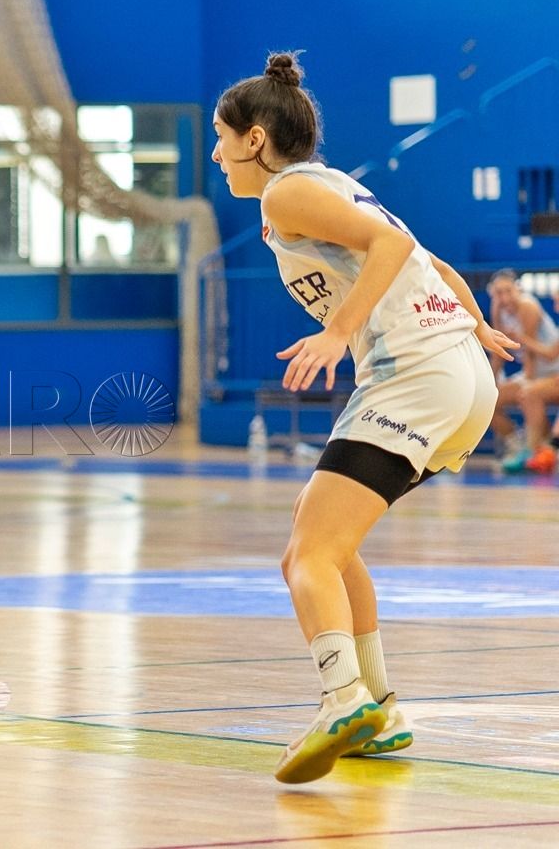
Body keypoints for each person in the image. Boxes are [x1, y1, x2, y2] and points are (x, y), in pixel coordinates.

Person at [212, 52, 519, 784]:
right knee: (328, 540)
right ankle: (382, 707)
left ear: (256, 138)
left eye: (221, 136)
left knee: (303, 556)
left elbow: (395, 246)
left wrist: (338, 329)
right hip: (457, 376)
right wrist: (474, 327)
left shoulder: (286, 194)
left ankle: (344, 698)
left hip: (415, 373)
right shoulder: (336, 185)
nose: (216, 152)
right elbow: (432, 262)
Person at [485, 269, 559, 472]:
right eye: (499, 293)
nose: (504, 297)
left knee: (528, 393)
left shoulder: (527, 306)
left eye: (508, 291)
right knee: (486, 399)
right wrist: (489, 380)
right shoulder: (497, 308)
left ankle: (532, 449)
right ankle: (515, 442)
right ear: (492, 293)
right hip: (538, 370)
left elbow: (529, 353)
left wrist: (528, 379)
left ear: (517, 288)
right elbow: (498, 350)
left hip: (551, 372)